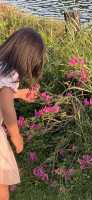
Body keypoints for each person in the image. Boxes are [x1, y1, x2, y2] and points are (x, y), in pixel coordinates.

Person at [0, 27, 46, 200]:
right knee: (1, 183)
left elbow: (2, 93)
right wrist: (15, 135)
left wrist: (19, 93)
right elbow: (6, 106)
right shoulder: (10, 73)